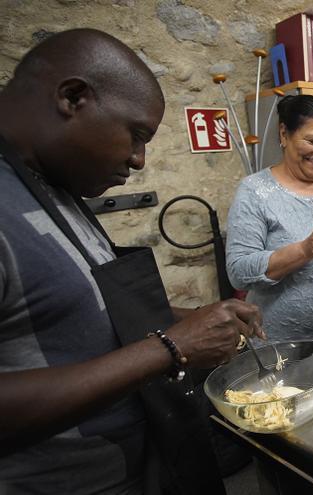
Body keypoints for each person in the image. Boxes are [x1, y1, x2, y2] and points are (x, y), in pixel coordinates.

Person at [0, 29, 264, 494]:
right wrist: (171, 347)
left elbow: (80, 311)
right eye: (137, 135)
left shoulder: (51, 186)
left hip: (137, 463)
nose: (139, 160)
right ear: (73, 97)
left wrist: (193, 319)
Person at [226, 95, 313, 344]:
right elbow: (238, 272)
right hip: (280, 344)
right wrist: (302, 250)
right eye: (312, 141)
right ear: (284, 134)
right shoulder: (255, 190)